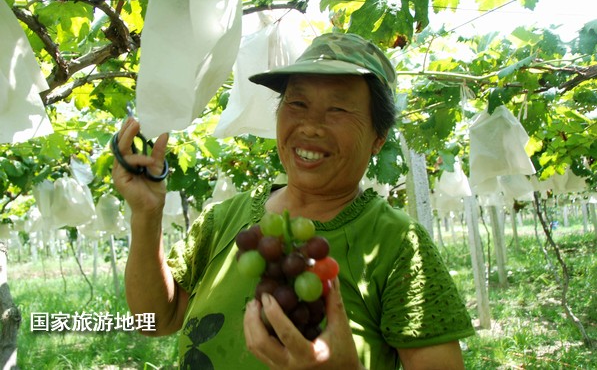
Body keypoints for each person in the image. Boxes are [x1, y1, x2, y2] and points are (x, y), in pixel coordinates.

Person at [112, 32, 475, 369]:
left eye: (338, 110)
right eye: (297, 103)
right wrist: (146, 215)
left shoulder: (398, 245)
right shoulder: (224, 219)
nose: (310, 125)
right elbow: (157, 319)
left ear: (378, 138)